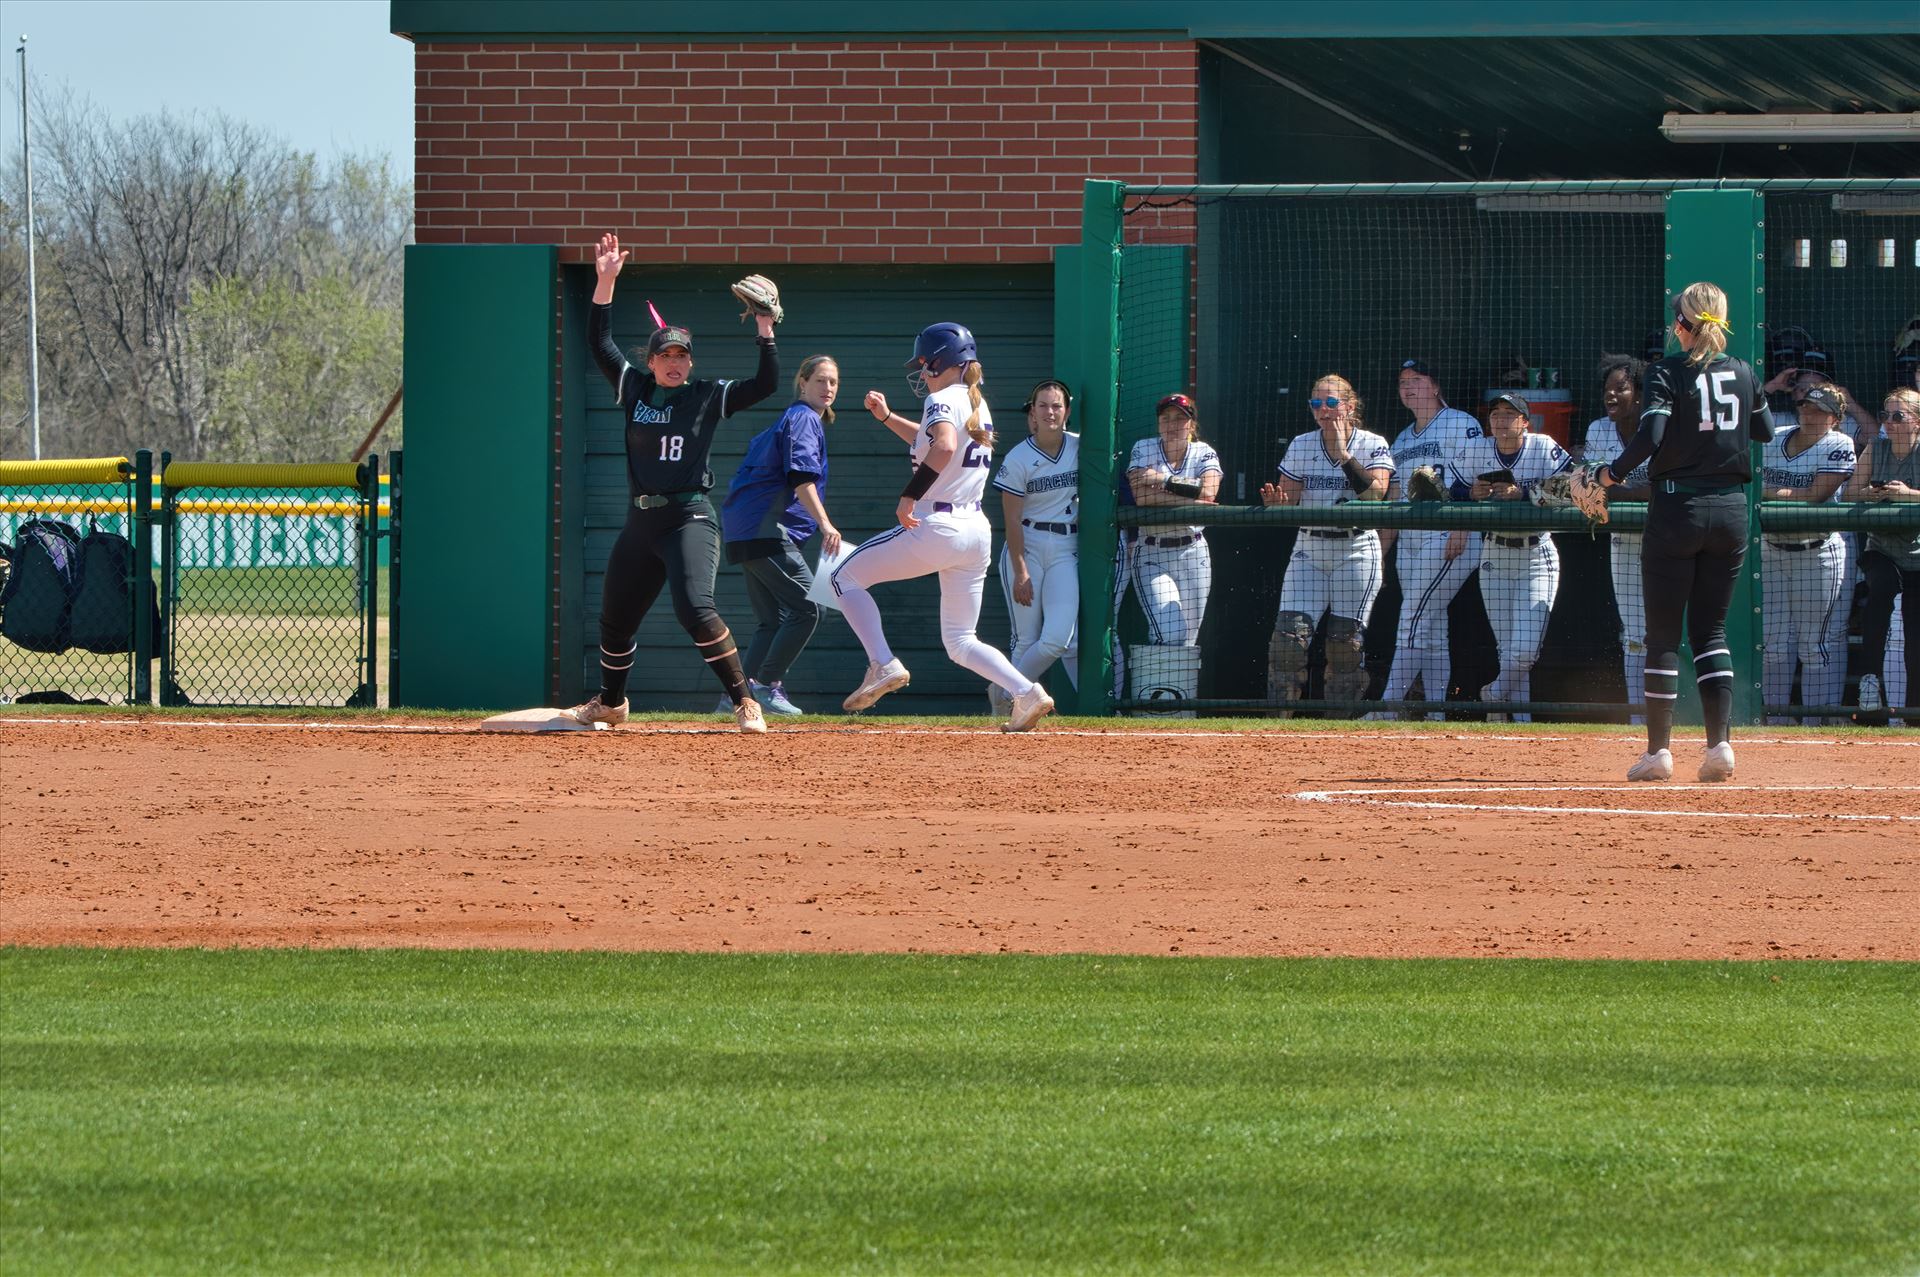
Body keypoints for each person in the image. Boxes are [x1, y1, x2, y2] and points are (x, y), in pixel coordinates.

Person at [566, 233, 780, 733]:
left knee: (695, 608)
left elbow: (765, 384)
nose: (675, 362)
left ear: (690, 362)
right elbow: (600, 342)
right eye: (667, 356)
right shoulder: (634, 387)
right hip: (641, 520)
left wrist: (766, 329)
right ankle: (612, 704)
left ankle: (746, 702)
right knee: (615, 617)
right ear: (653, 361)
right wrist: (605, 282)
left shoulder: (704, 395)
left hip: (688, 517)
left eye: (683, 356)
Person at [832, 322, 1055, 732]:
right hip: (975, 529)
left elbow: (945, 446)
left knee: (842, 575)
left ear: (941, 361)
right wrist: (887, 418)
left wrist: (908, 495)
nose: (922, 371)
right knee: (960, 641)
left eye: (925, 363)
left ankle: (882, 663)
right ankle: (1027, 693)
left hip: (938, 522)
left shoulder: (942, 399)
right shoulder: (975, 401)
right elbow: (931, 442)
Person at [1596, 280, 1773, 782]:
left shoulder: (1665, 371)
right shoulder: (1743, 371)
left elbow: (1650, 435)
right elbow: (1761, 431)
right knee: (1711, 631)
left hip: (1678, 508)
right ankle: (1719, 747)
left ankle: (1658, 753)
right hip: (1731, 510)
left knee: (1663, 637)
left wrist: (1608, 476)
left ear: (1683, 325)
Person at [1261, 374, 1395, 712]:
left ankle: (1339, 726)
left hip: (1356, 549)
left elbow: (1376, 495)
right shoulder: (1302, 443)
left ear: (1350, 406)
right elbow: (1288, 498)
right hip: (1309, 547)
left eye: (1332, 402)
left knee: (1343, 645)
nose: (1324, 410)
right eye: (1317, 403)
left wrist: (1343, 455)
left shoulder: (1371, 442)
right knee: (1288, 641)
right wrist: (1279, 505)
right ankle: (1277, 725)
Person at [719, 354, 843, 716]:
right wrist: (826, 524)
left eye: (834, 381)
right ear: (802, 383)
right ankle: (765, 686)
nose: (828, 388)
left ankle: (735, 697)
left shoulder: (790, 420)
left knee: (771, 620)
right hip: (763, 531)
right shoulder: (803, 419)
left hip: (744, 531)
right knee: (809, 609)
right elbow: (801, 478)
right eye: (820, 380)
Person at [1446, 391, 1571, 722]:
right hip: (1495, 554)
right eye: (1495, 414)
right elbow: (1449, 487)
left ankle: (1494, 695)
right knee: (1508, 651)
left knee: (1524, 651)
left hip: (1536, 553)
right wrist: (1470, 493)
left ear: (1525, 422)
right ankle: (1517, 722)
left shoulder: (1542, 446)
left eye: (1509, 414)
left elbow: (1575, 483)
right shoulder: (1478, 449)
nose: (1500, 420)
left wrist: (1526, 494)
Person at [1377, 359, 1483, 718]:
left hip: (1447, 533)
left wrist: (1462, 525)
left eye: (1417, 380)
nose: (1408, 386)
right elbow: (1394, 500)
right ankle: (1436, 713)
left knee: (1413, 618)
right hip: (1410, 540)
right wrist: (1382, 551)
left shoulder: (1461, 423)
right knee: (1432, 629)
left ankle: (1388, 708)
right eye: (1403, 381)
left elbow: (1476, 479)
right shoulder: (1403, 437)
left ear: (1435, 387)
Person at [1758, 384, 1855, 723]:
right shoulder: (1774, 437)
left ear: (1834, 417)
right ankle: (1775, 719)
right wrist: (1783, 493)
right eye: (1804, 407)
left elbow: (1815, 495)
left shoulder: (1840, 442)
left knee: (1813, 645)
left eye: (1817, 409)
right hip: (1770, 552)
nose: (1808, 414)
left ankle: (1816, 723)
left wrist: (1768, 492)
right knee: (1772, 645)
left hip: (1817, 555)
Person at [990, 378, 1079, 716]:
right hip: (1026, 544)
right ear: (1033, 414)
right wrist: (1020, 569)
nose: (1050, 412)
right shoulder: (1019, 457)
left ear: (1067, 411)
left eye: (1056, 405)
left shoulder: (1079, 446)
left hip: (1065, 545)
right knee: (1025, 640)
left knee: (1057, 638)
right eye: (1043, 405)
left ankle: (1004, 691)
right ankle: (1013, 707)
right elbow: (1011, 520)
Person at [1580, 354, 1652, 720]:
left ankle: (1671, 713)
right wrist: (1624, 488)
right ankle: (1638, 717)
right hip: (1622, 540)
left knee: (1664, 631)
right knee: (1634, 634)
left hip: (1662, 540)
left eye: (1620, 388)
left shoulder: (1659, 426)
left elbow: (1658, 488)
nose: (1611, 395)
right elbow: (1590, 484)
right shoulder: (1597, 430)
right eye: (1607, 389)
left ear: (1638, 393)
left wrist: (1614, 487)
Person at [1844, 387, 1920, 721]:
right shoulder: (1876, 448)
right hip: (1881, 550)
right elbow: (1849, 494)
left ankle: (1914, 711)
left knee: (1915, 630)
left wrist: (1908, 494)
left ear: (1917, 421)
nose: (1888, 422)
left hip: (1918, 553)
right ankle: (1870, 685)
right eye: (1886, 415)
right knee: (1881, 593)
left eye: (1898, 416)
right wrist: (1873, 494)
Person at [1126, 393, 1222, 647]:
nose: (1172, 425)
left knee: (1188, 641)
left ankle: (1179, 689)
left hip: (1193, 551)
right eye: (1165, 419)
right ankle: (1152, 687)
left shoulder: (1203, 452)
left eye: (1180, 419)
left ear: (1191, 424)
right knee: (1169, 632)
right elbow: (1140, 495)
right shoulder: (1144, 447)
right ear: (1158, 424)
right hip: (1152, 551)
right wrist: (1188, 499)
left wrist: (1158, 480)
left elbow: (1209, 492)